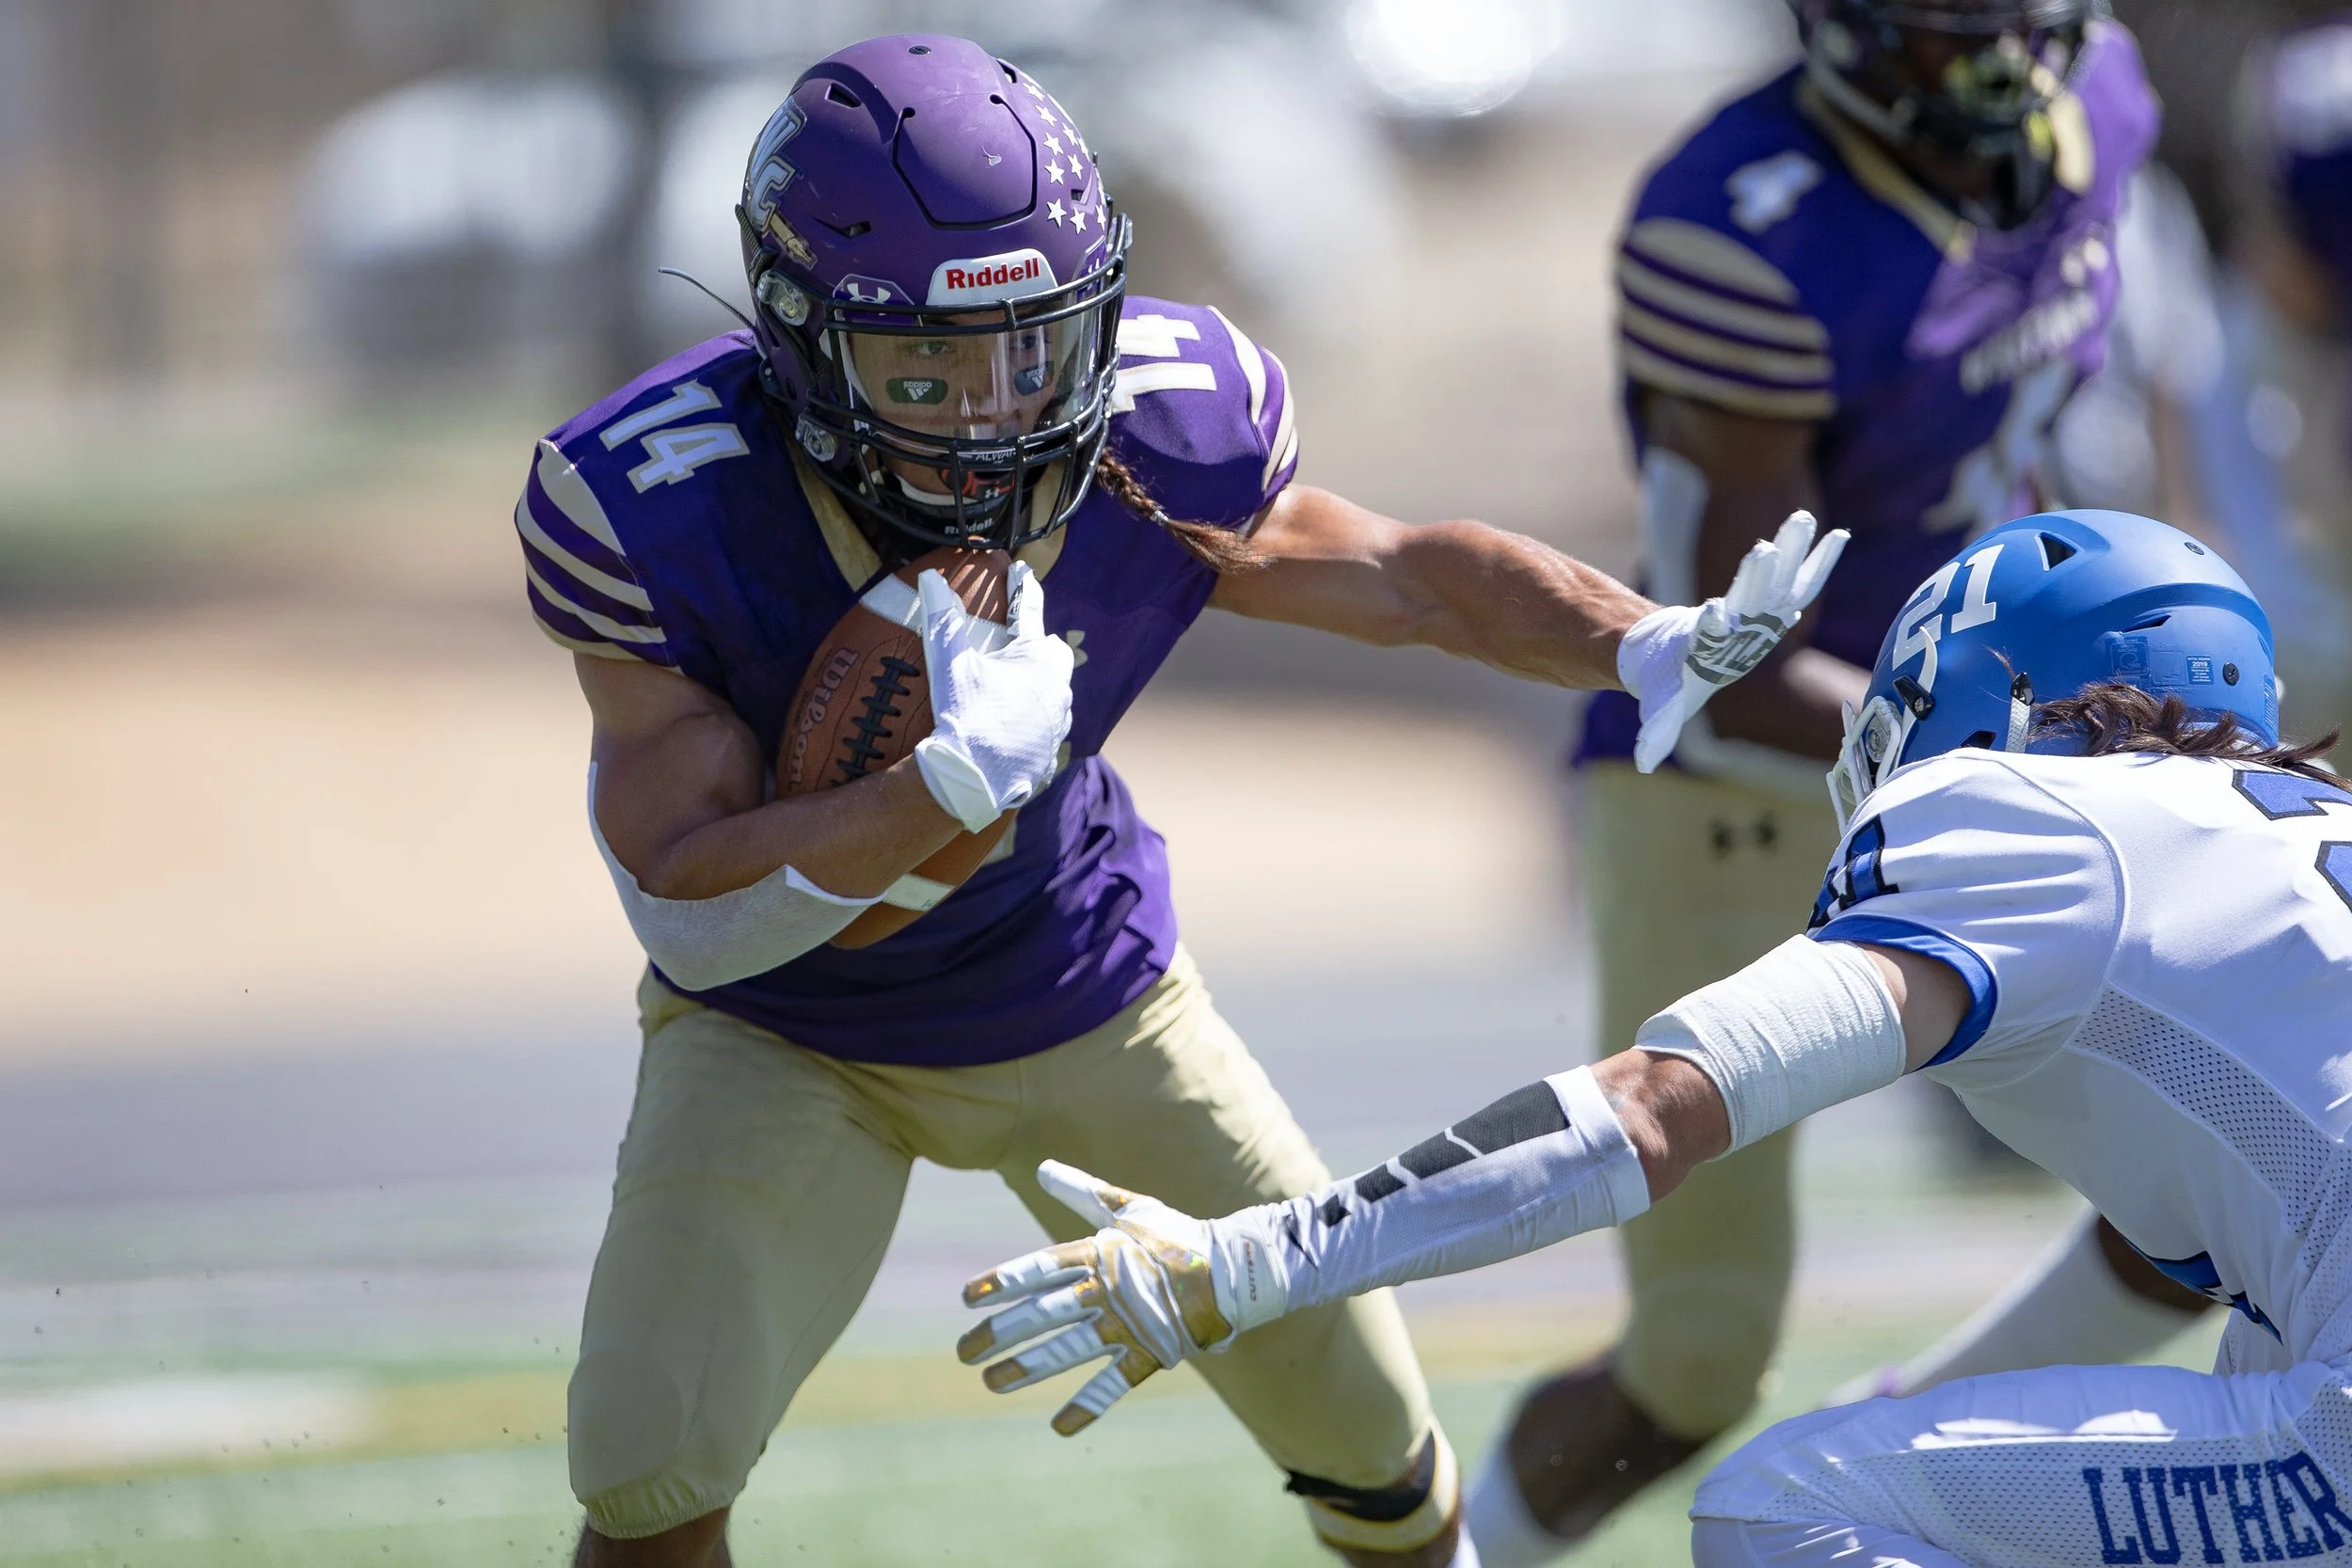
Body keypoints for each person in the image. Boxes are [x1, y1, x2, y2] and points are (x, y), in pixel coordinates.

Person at [517, 33, 1844, 1568]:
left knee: (1377, 1451)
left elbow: (1412, 582)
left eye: (1034, 347)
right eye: (927, 367)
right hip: (790, 1035)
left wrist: (1638, 639)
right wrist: (935, 787)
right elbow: (697, 901)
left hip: (1090, 990)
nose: (995, 409)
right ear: (806, 344)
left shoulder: (1161, 420)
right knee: (645, 1468)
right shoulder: (656, 499)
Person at [963, 506, 2352, 1568]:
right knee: (2262, 1343)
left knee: (1779, 1504)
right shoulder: (2284, 849)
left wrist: (1245, 1259)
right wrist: (1922, 1406)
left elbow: (1649, 1110)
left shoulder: (2016, 819)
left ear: (2002, 702)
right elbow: (2158, 1259)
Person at [1527, 2, 2196, 1551]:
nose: (1999, 68)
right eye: (1948, 32)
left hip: (2011, 747)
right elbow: (1721, 657)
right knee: (1694, 1363)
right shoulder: (1744, 219)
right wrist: (2024, 739)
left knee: (2202, 1197)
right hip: (1745, 794)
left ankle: (1900, 1461)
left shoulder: (2096, 90)